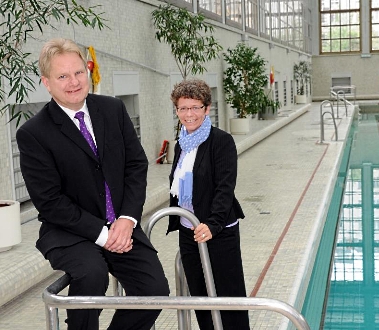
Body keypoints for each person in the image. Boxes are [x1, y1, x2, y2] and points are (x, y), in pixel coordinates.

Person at [16, 38, 169, 330]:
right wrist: (102, 233)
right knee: (91, 274)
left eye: (78, 72)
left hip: (121, 225)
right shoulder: (34, 133)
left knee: (155, 290)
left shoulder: (113, 109)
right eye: (62, 76)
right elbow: (49, 201)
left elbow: (136, 165)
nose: (73, 82)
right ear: (47, 83)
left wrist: (126, 219)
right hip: (70, 231)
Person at [167, 79, 250, 329]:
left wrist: (212, 225)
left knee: (228, 297)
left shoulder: (221, 141)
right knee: (200, 297)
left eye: (194, 107)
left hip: (219, 231)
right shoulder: (181, 142)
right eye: (183, 108)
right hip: (189, 230)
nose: (188, 114)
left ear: (206, 108)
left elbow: (225, 188)